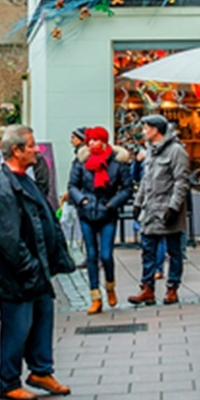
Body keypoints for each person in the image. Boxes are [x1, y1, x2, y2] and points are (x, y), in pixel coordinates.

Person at [0, 124, 77, 400]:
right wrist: (30, 266)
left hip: (35, 270)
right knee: (17, 327)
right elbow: (6, 234)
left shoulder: (24, 178)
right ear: (16, 150)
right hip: (19, 274)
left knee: (42, 319)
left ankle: (40, 371)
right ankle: (9, 382)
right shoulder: (5, 185)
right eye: (32, 145)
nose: (37, 150)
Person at [68, 126, 132, 314]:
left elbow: (127, 188)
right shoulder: (81, 161)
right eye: (89, 141)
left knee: (106, 255)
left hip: (107, 213)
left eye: (95, 140)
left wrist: (112, 204)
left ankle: (110, 286)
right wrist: (82, 200)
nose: (91, 144)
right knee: (91, 256)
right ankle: (95, 297)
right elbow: (72, 185)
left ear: (104, 141)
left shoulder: (118, 163)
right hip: (86, 213)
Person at [130, 114, 192, 306]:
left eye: (146, 128)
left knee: (174, 251)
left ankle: (172, 288)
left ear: (156, 130)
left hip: (167, 210)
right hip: (150, 210)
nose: (143, 132)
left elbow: (181, 182)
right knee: (147, 251)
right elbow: (145, 181)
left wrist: (173, 207)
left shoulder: (176, 151)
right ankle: (147, 288)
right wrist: (138, 203)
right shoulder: (150, 151)